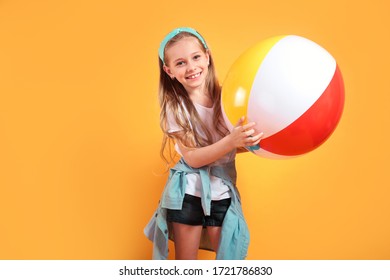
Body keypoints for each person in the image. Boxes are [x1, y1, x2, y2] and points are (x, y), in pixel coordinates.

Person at [144, 27, 263, 260]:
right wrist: (232, 140)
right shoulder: (174, 107)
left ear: (207, 56)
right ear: (169, 71)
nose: (191, 67)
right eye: (180, 63)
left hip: (222, 192)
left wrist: (249, 142)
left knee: (229, 262)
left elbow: (230, 147)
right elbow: (193, 158)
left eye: (196, 57)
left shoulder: (227, 98)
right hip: (187, 194)